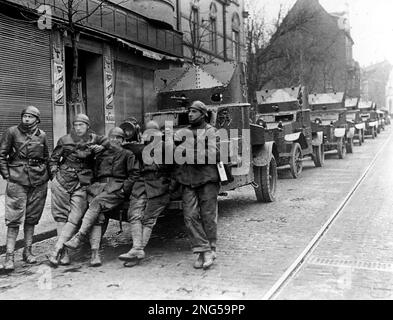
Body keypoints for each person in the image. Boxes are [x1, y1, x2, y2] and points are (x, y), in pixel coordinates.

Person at [62, 127, 139, 266]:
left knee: (97, 203)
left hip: (116, 188)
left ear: (123, 140)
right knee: (97, 215)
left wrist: (123, 190)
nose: (115, 140)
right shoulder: (101, 154)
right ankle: (94, 255)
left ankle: (79, 237)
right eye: (112, 138)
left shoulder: (128, 154)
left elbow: (134, 174)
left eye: (118, 138)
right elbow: (93, 171)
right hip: (98, 188)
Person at [47, 114, 109, 267]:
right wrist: (54, 176)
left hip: (82, 183)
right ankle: (64, 254)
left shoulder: (95, 139)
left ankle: (58, 249)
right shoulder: (65, 140)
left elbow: (111, 144)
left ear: (88, 126)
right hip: (62, 181)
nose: (78, 128)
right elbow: (53, 159)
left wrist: (102, 147)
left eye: (82, 125)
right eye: (76, 125)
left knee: (75, 217)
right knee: (61, 217)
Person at [0, 106, 50, 271]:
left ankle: (28, 252)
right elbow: (2, 154)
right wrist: (7, 175)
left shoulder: (42, 135)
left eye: (30, 116)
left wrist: (50, 177)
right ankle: (9, 256)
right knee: (13, 219)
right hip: (17, 179)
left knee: (32, 218)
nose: (27, 119)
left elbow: (46, 157)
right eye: (25, 116)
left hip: (39, 180)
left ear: (37, 119)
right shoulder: (12, 132)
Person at [118, 120, 172, 266]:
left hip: (159, 187)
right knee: (133, 214)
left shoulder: (167, 147)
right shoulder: (141, 147)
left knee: (148, 218)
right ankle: (137, 250)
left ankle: (137, 249)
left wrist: (171, 187)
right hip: (141, 185)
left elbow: (176, 170)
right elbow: (129, 147)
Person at [175, 101, 220, 270]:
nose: (190, 114)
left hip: (207, 178)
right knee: (190, 216)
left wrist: (187, 151)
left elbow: (214, 154)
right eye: (189, 111)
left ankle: (209, 249)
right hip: (188, 179)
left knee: (208, 215)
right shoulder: (183, 132)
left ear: (203, 114)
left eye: (194, 111)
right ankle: (204, 249)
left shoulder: (210, 131)